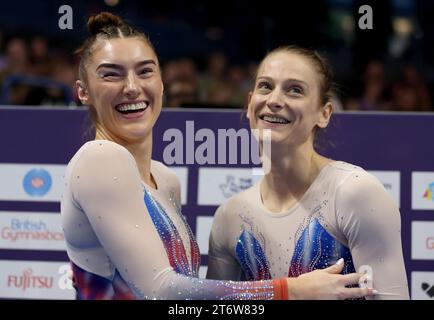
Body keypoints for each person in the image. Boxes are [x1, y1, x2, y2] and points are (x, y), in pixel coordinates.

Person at [61, 12, 374, 300]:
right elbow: (160, 291)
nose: (132, 87)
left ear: (161, 81)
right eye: (111, 75)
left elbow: (190, 301)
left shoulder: (166, 181)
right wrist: (289, 290)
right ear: (83, 91)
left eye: (145, 71)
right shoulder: (99, 159)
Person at [206, 46, 409, 300]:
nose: (274, 100)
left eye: (295, 90)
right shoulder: (230, 216)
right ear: (249, 105)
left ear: (324, 114)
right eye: (266, 86)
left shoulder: (354, 193)